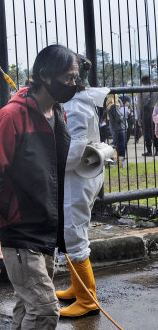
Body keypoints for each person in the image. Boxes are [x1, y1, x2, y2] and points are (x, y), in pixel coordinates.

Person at [0, 45, 77, 329]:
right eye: (68, 78)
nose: (73, 84)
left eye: (75, 78)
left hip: (47, 231)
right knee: (44, 310)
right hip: (20, 233)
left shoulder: (58, 113)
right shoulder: (11, 117)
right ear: (44, 76)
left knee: (26, 308)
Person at [55, 56, 109, 317]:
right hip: (84, 175)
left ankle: (88, 301)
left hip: (77, 176)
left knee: (73, 233)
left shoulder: (75, 106)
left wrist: (50, 165)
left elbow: (74, 150)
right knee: (71, 231)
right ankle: (78, 289)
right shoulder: (82, 100)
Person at [137, 75, 158, 156]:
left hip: (145, 113)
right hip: (154, 111)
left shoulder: (140, 90)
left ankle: (149, 151)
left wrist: (139, 117)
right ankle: (157, 150)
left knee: (146, 132)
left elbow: (139, 105)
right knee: (155, 130)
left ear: (142, 82)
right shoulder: (155, 90)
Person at [106, 95, 127, 168]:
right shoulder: (114, 106)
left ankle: (115, 163)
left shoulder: (110, 106)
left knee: (118, 147)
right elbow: (119, 118)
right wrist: (124, 114)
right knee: (121, 147)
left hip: (115, 129)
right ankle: (122, 164)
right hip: (119, 129)